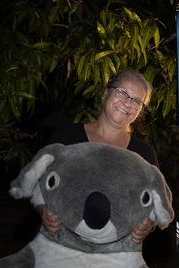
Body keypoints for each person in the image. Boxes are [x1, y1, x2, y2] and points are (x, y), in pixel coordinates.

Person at [39, 69, 158, 244]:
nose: (128, 102)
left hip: (114, 256)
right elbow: (39, 182)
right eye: (122, 92)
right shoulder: (67, 137)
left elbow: (155, 204)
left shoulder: (144, 153)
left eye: (137, 101)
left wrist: (149, 223)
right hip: (64, 248)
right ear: (105, 94)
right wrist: (43, 210)